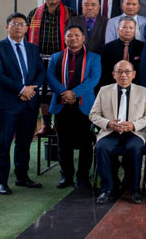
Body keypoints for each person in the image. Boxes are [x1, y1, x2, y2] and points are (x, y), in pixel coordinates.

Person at [0, 13, 46, 195]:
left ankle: (22, 177)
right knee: (3, 144)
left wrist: (31, 90)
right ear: (7, 27)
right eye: (15, 24)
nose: (19, 27)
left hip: (29, 104)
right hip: (7, 104)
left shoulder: (32, 48)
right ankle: (2, 182)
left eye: (22, 24)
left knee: (24, 143)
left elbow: (40, 71)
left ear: (27, 28)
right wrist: (22, 89)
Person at [89, 60, 146, 204]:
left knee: (134, 148)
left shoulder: (143, 91)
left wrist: (134, 125)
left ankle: (134, 189)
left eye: (127, 72)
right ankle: (107, 189)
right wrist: (108, 123)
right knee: (102, 147)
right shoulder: (104, 90)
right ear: (113, 74)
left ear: (133, 74)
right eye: (119, 72)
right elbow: (93, 115)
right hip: (110, 132)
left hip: (134, 133)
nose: (123, 75)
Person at [46, 25, 101, 189]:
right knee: (64, 143)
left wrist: (74, 93)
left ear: (83, 38)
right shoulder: (56, 57)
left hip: (84, 106)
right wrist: (64, 93)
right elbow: (50, 77)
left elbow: (94, 79)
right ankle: (66, 176)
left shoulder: (93, 58)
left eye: (77, 35)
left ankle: (83, 177)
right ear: (65, 38)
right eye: (69, 35)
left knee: (85, 143)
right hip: (62, 105)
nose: (73, 38)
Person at [27, 0, 75, 137]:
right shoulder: (34, 13)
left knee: (59, 90)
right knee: (42, 93)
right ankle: (46, 124)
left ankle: (59, 125)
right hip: (39, 59)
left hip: (62, 59)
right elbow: (28, 37)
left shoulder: (69, 13)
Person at [100, 17, 144, 87]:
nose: (127, 30)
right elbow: (104, 72)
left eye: (131, 28)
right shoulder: (107, 48)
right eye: (124, 27)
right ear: (118, 29)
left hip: (137, 86)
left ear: (135, 30)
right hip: (112, 85)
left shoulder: (143, 47)